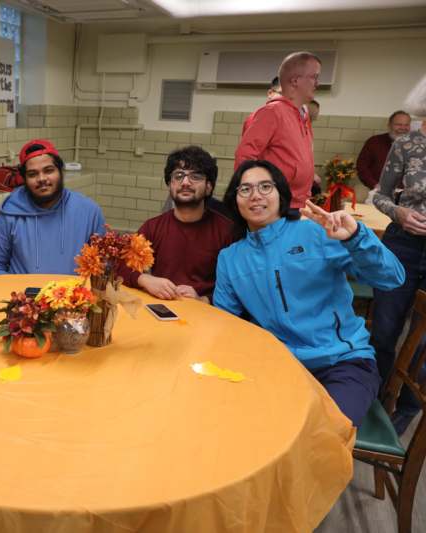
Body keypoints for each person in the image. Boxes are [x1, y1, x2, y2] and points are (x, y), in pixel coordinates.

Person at [214, 160, 404, 426]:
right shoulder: (231, 258)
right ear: (235, 200)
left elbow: (392, 278)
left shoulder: (316, 232)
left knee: (321, 434)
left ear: (281, 194)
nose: (255, 195)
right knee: (240, 424)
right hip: (277, 365)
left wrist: (355, 238)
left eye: (265, 186)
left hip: (342, 363)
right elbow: (227, 325)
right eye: (245, 189)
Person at [370, 76, 426, 434]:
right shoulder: (406, 145)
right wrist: (400, 213)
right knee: (385, 331)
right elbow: (380, 195)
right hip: (402, 246)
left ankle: (406, 407)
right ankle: (372, 397)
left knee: (423, 340)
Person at [120, 146, 232, 303]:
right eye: (178, 176)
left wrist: (204, 300)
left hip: (207, 317)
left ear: (209, 187)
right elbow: (120, 267)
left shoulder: (226, 231)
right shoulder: (153, 227)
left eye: (195, 176)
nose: (185, 182)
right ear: (170, 185)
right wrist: (145, 279)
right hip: (163, 310)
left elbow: (238, 288)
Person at [0, 139, 105, 275]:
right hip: (23, 294)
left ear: (60, 171)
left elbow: (102, 265)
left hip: (73, 294)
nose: (41, 178)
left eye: (48, 170)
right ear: (24, 179)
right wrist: (17, 293)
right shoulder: (10, 213)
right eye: (32, 174)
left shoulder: (89, 211)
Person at [235, 51, 320, 209]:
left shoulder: (302, 115)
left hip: (296, 201)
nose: (317, 83)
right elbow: (245, 155)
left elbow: (296, 156)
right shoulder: (272, 112)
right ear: (294, 81)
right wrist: (254, 195)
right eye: (314, 77)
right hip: (276, 203)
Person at [357, 110, 412, 190]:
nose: (403, 128)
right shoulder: (374, 142)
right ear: (389, 125)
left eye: (406, 125)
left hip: (407, 193)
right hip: (376, 190)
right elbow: (362, 167)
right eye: (398, 124)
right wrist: (374, 185)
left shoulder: (416, 146)